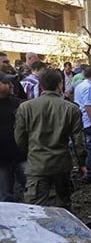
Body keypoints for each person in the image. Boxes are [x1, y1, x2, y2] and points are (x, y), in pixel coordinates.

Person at [14, 70, 86, 210]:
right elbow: (78, 141)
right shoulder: (71, 108)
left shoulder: (26, 107)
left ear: (41, 85)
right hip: (61, 162)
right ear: (60, 85)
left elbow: (19, 138)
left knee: (36, 208)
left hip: (37, 163)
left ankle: (40, 231)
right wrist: (82, 162)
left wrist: (31, 152)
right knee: (63, 205)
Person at [0, 72, 26, 202]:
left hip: (20, 155)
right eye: (6, 83)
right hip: (2, 160)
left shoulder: (18, 103)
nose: (11, 85)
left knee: (29, 190)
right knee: (5, 196)